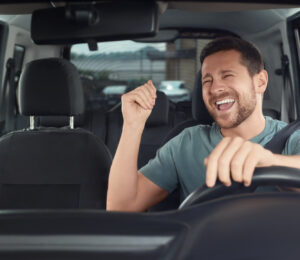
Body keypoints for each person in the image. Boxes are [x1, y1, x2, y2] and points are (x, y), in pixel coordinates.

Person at [106, 36, 300, 212]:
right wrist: (132, 125)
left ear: (260, 82)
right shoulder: (186, 143)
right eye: (207, 81)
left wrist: (269, 161)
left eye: (227, 75)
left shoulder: (291, 138)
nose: (215, 88)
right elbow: (121, 207)